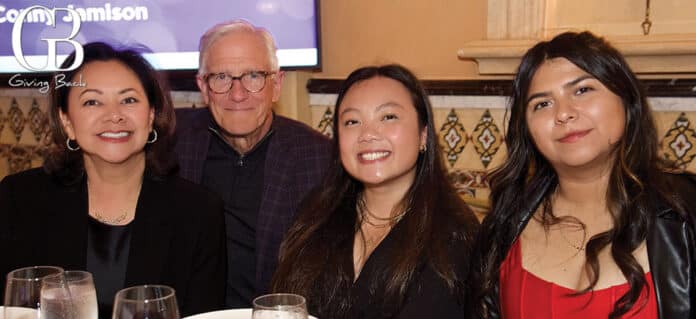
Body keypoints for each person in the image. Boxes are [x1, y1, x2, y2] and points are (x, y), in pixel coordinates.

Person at [469, 31, 696, 319]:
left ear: (626, 100)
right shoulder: (503, 226)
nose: (563, 113)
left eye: (582, 90)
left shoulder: (684, 215)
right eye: (542, 104)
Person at [0, 42, 226, 318]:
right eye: (92, 101)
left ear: (152, 115)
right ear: (67, 121)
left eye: (129, 100)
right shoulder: (21, 198)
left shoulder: (198, 211)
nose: (114, 115)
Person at [271, 64, 479, 319]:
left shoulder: (452, 234)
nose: (368, 134)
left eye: (388, 117)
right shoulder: (316, 213)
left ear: (424, 134)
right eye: (352, 121)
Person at [175, 19, 332, 308]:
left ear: (276, 85)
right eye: (222, 77)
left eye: (254, 76)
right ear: (203, 86)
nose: (238, 94)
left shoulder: (319, 157)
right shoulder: (170, 144)